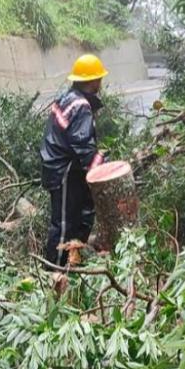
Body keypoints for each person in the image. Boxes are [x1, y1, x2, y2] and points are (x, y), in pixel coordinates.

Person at [40, 54, 107, 266]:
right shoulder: (81, 106)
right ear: (93, 81)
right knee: (63, 225)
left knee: (81, 217)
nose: (101, 83)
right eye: (99, 78)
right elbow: (83, 145)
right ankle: (54, 272)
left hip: (64, 168)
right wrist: (101, 172)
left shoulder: (68, 98)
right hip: (64, 171)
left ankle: (73, 263)